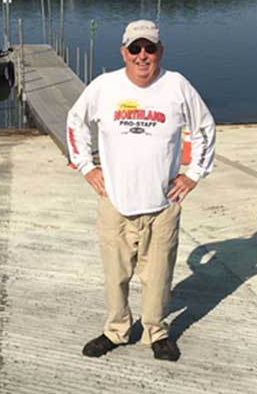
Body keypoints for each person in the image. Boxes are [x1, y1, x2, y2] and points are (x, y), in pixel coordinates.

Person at [66, 19, 216, 361]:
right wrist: (87, 167)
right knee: (115, 275)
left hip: (162, 204)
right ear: (124, 52)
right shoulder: (104, 87)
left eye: (149, 48)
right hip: (115, 201)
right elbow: (75, 121)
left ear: (160, 51)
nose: (142, 55)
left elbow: (205, 127)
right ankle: (116, 330)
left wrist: (193, 173)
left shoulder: (177, 86)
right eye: (135, 48)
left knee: (158, 277)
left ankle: (156, 331)